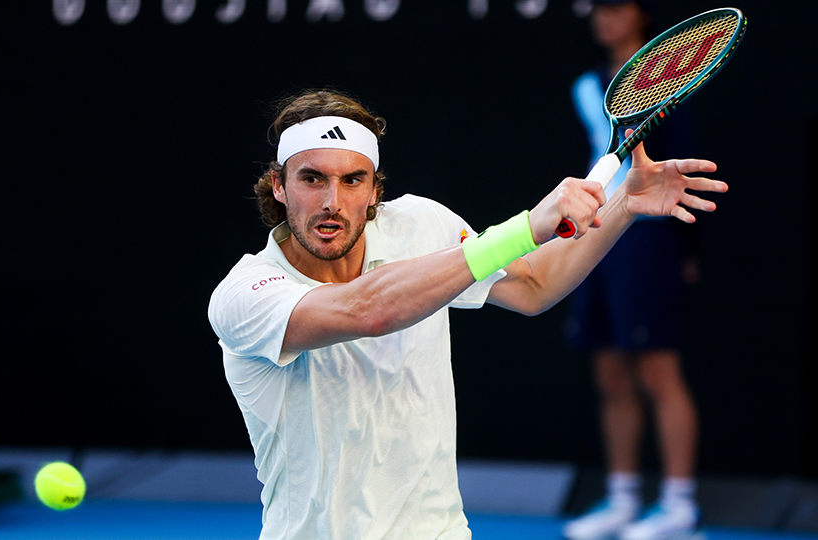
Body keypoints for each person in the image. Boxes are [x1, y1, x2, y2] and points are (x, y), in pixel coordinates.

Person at [207, 89, 725, 540]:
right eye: (311, 179)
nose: (331, 202)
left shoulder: (422, 226)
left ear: (374, 190)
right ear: (278, 185)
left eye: (352, 181)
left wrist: (622, 208)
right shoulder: (246, 294)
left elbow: (534, 286)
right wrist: (525, 228)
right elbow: (368, 308)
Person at [562, 2, 704, 540]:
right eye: (597, 7)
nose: (604, 17)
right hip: (598, 233)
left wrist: (686, 246)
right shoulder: (585, 84)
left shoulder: (672, 83)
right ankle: (622, 499)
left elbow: (682, 167)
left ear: (641, 15)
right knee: (611, 372)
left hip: (651, 239)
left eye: (616, 6)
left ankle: (679, 505)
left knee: (656, 372)